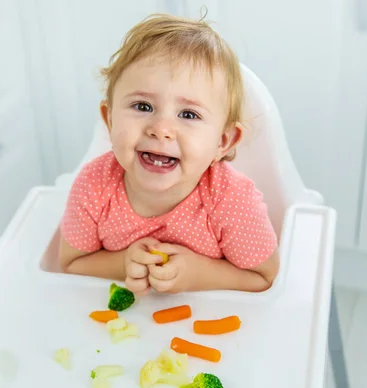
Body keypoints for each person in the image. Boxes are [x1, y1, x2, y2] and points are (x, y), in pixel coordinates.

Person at [58, 12, 279, 295]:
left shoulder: (231, 201)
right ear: (110, 119)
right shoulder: (94, 186)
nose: (161, 129)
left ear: (223, 142)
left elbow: (266, 277)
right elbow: (71, 263)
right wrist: (122, 265)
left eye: (188, 114)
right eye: (143, 106)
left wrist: (200, 275)